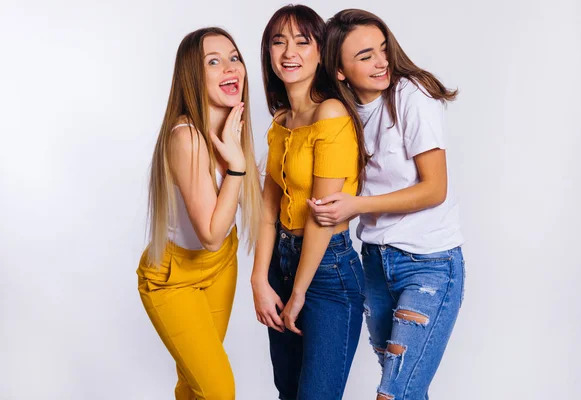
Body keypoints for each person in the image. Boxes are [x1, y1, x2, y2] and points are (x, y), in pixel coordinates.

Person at [309, 9, 466, 399]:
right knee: (408, 389)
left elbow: (435, 189)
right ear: (340, 70)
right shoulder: (342, 112)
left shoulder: (413, 94)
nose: (382, 62)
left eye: (383, 49)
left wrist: (356, 206)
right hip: (376, 264)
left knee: (395, 393)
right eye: (365, 56)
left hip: (429, 265)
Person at [251, 5, 368, 400]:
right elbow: (268, 210)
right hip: (281, 263)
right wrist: (259, 280)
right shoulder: (281, 120)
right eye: (278, 41)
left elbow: (322, 213)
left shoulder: (331, 112)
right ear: (268, 52)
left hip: (326, 272)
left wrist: (298, 292)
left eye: (303, 41)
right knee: (288, 393)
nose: (289, 52)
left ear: (321, 53)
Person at [136, 27, 261, 400]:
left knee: (195, 385)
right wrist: (237, 166)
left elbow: (227, 234)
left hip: (221, 265)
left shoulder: (232, 128)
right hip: (173, 278)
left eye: (234, 58)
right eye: (214, 61)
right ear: (193, 74)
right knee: (219, 390)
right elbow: (209, 233)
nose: (230, 68)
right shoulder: (185, 137)